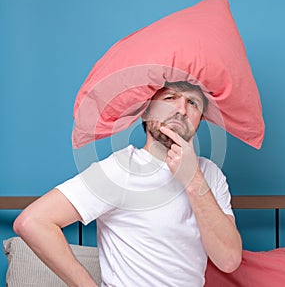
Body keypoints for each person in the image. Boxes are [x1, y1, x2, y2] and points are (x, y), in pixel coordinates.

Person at [13, 81, 242, 287]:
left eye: (192, 102)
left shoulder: (211, 174)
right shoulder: (121, 169)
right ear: (146, 112)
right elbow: (32, 222)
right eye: (170, 98)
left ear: (199, 120)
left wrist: (193, 180)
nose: (181, 109)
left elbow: (228, 260)